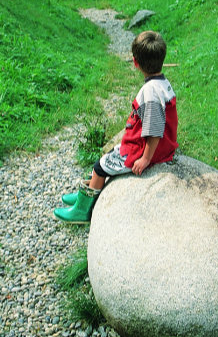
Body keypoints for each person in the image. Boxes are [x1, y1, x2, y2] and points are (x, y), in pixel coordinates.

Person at [54, 30, 178, 224]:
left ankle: (82, 210)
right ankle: (86, 193)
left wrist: (145, 159)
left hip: (146, 151)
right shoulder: (162, 83)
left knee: (100, 166)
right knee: (111, 153)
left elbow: (154, 130)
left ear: (135, 63)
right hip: (147, 144)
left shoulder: (150, 93)